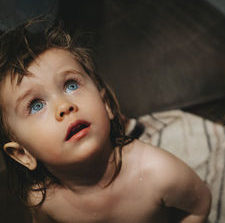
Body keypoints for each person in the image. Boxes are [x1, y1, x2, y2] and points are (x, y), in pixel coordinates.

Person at [0, 25, 211, 223]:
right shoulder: (42, 201)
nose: (64, 106)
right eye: (36, 105)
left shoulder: (160, 173)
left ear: (107, 104)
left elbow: (200, 207)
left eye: (71, 85)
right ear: (23, 154)